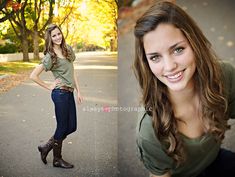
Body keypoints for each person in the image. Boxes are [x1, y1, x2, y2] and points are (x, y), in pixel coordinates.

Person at [134, 1, 235, 177]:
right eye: (155, 57)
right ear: (146, 62)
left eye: (178, 49)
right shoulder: (150, 128)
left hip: (215, 161)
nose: (169, 66)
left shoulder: (223, 76)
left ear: (195, 44)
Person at [30, 24, 83, 169]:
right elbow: (33, 75)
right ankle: (57, 159)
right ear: (50, 38)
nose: (57, 37)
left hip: (69, 93)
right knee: (62, 127)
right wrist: (48, 86)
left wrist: (79, 91)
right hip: (60, 94)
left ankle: (46, 147)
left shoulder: (67, 49)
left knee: (71, 126)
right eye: (54, 35)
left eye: (58, 34)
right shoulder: (50, 56)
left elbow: (72, 71)